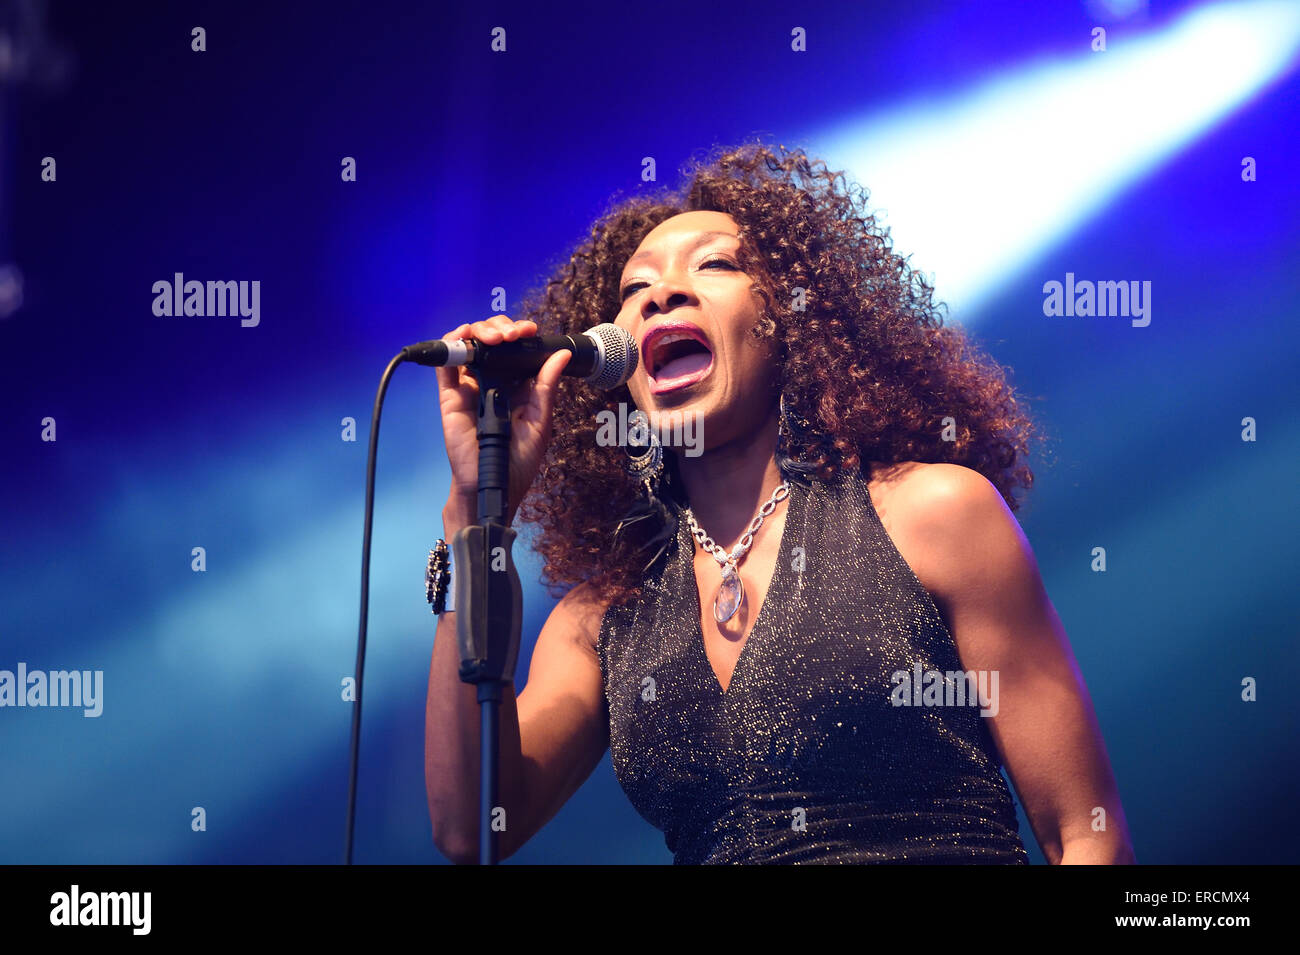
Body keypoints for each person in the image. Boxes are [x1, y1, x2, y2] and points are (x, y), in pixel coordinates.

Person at [425, 143, 1135, 865]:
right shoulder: (607, 617)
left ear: (791, 318)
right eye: (636, 288)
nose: (660, 294)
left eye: (713, 265)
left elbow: (1084, 832)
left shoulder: (932, 513)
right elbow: (472, 826)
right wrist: (472, 518)